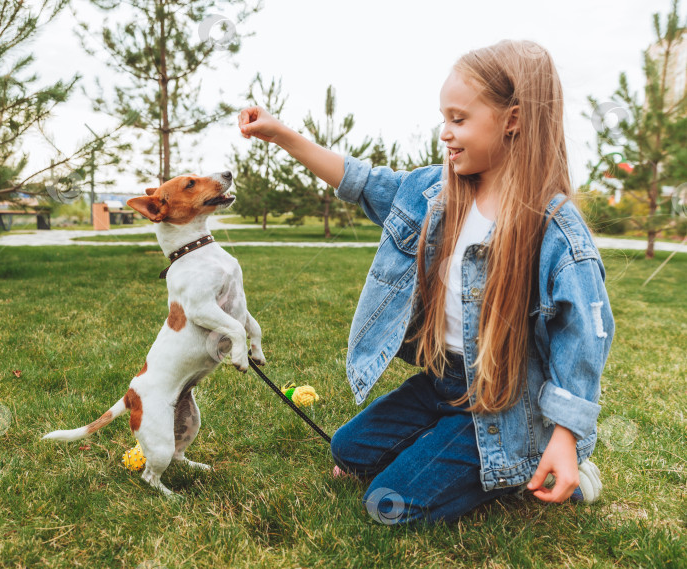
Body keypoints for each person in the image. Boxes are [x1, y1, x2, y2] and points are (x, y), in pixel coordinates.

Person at [237, 39, 614, 525]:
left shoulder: (554, 229)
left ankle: (531, 461)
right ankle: (459, 445)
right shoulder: (435, 193)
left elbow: (584, 337)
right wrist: (282, 135)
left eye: (459, 119)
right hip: (444, 383)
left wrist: (566, 435)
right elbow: (363, 181)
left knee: (391, 503)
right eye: (444, 119)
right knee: (347, 450)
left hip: (504, 402)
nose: (445, 133)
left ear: (512, 120)